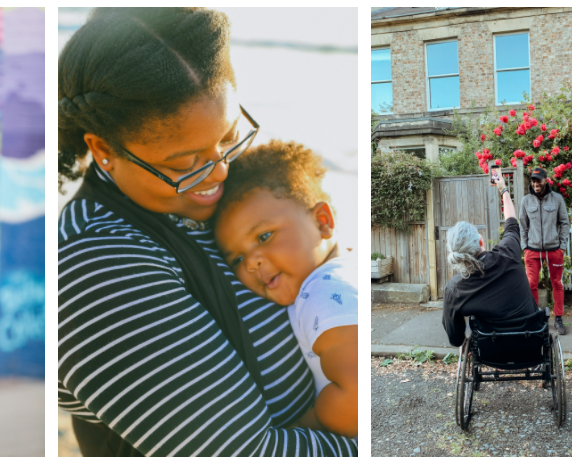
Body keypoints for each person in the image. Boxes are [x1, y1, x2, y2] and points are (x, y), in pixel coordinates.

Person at [55, 8, 355, 456]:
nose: (218, 172)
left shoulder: (218, 196)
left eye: (230, 135)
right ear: (102, 149)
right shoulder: (96, 266)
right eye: (182, 164)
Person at [214, 140, 358, 438]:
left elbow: (355, 396)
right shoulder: (339, 270)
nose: (252, 262)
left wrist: (305, 424)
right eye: (238, 259)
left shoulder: (323, 294)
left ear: (322, 222)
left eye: (264, 236)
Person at [442, 173, 540, 347]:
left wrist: (462, 342)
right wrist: (503, 189)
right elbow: (511, 222)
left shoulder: (455, 288)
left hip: (490, 350)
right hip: (530, 343)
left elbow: (455, 338)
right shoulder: (508, 252)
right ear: (481, 242)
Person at [518, 167, 570, 335]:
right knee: (531, 284)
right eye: (533, 181)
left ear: (546, 180)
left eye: (538, 180)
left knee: (557, 283)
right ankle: (534, 317)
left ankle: (559, 318)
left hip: (554, 249)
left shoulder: (557, 199)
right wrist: (525, 246)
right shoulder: (526, 201)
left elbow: (564, 222)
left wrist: (562, 246)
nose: (535, 184)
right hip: (532, 251)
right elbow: (523, 225)